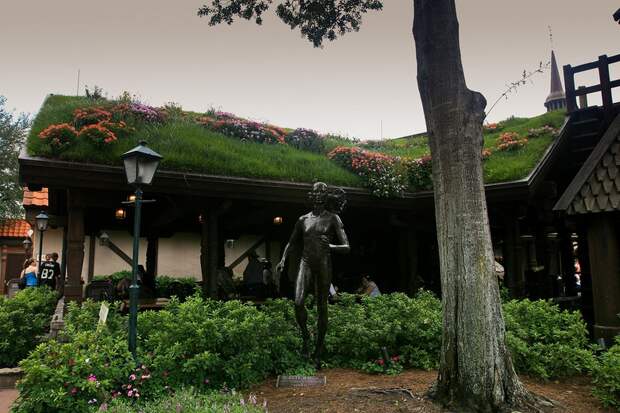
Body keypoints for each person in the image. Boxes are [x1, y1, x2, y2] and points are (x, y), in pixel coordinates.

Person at [276, 182, 350, 367]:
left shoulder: (333, 218)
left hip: (324, 263)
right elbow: (292, 242)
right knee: (298, 302)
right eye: (315, 191)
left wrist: (331, 246)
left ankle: (319, 348)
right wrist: (283, 259)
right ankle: (306, 338)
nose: (318, 194)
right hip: (306, 261)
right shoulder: (303, 219)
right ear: (311, 195)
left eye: (322, 191)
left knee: (321, 306)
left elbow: (346, 246)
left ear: (326, 195)